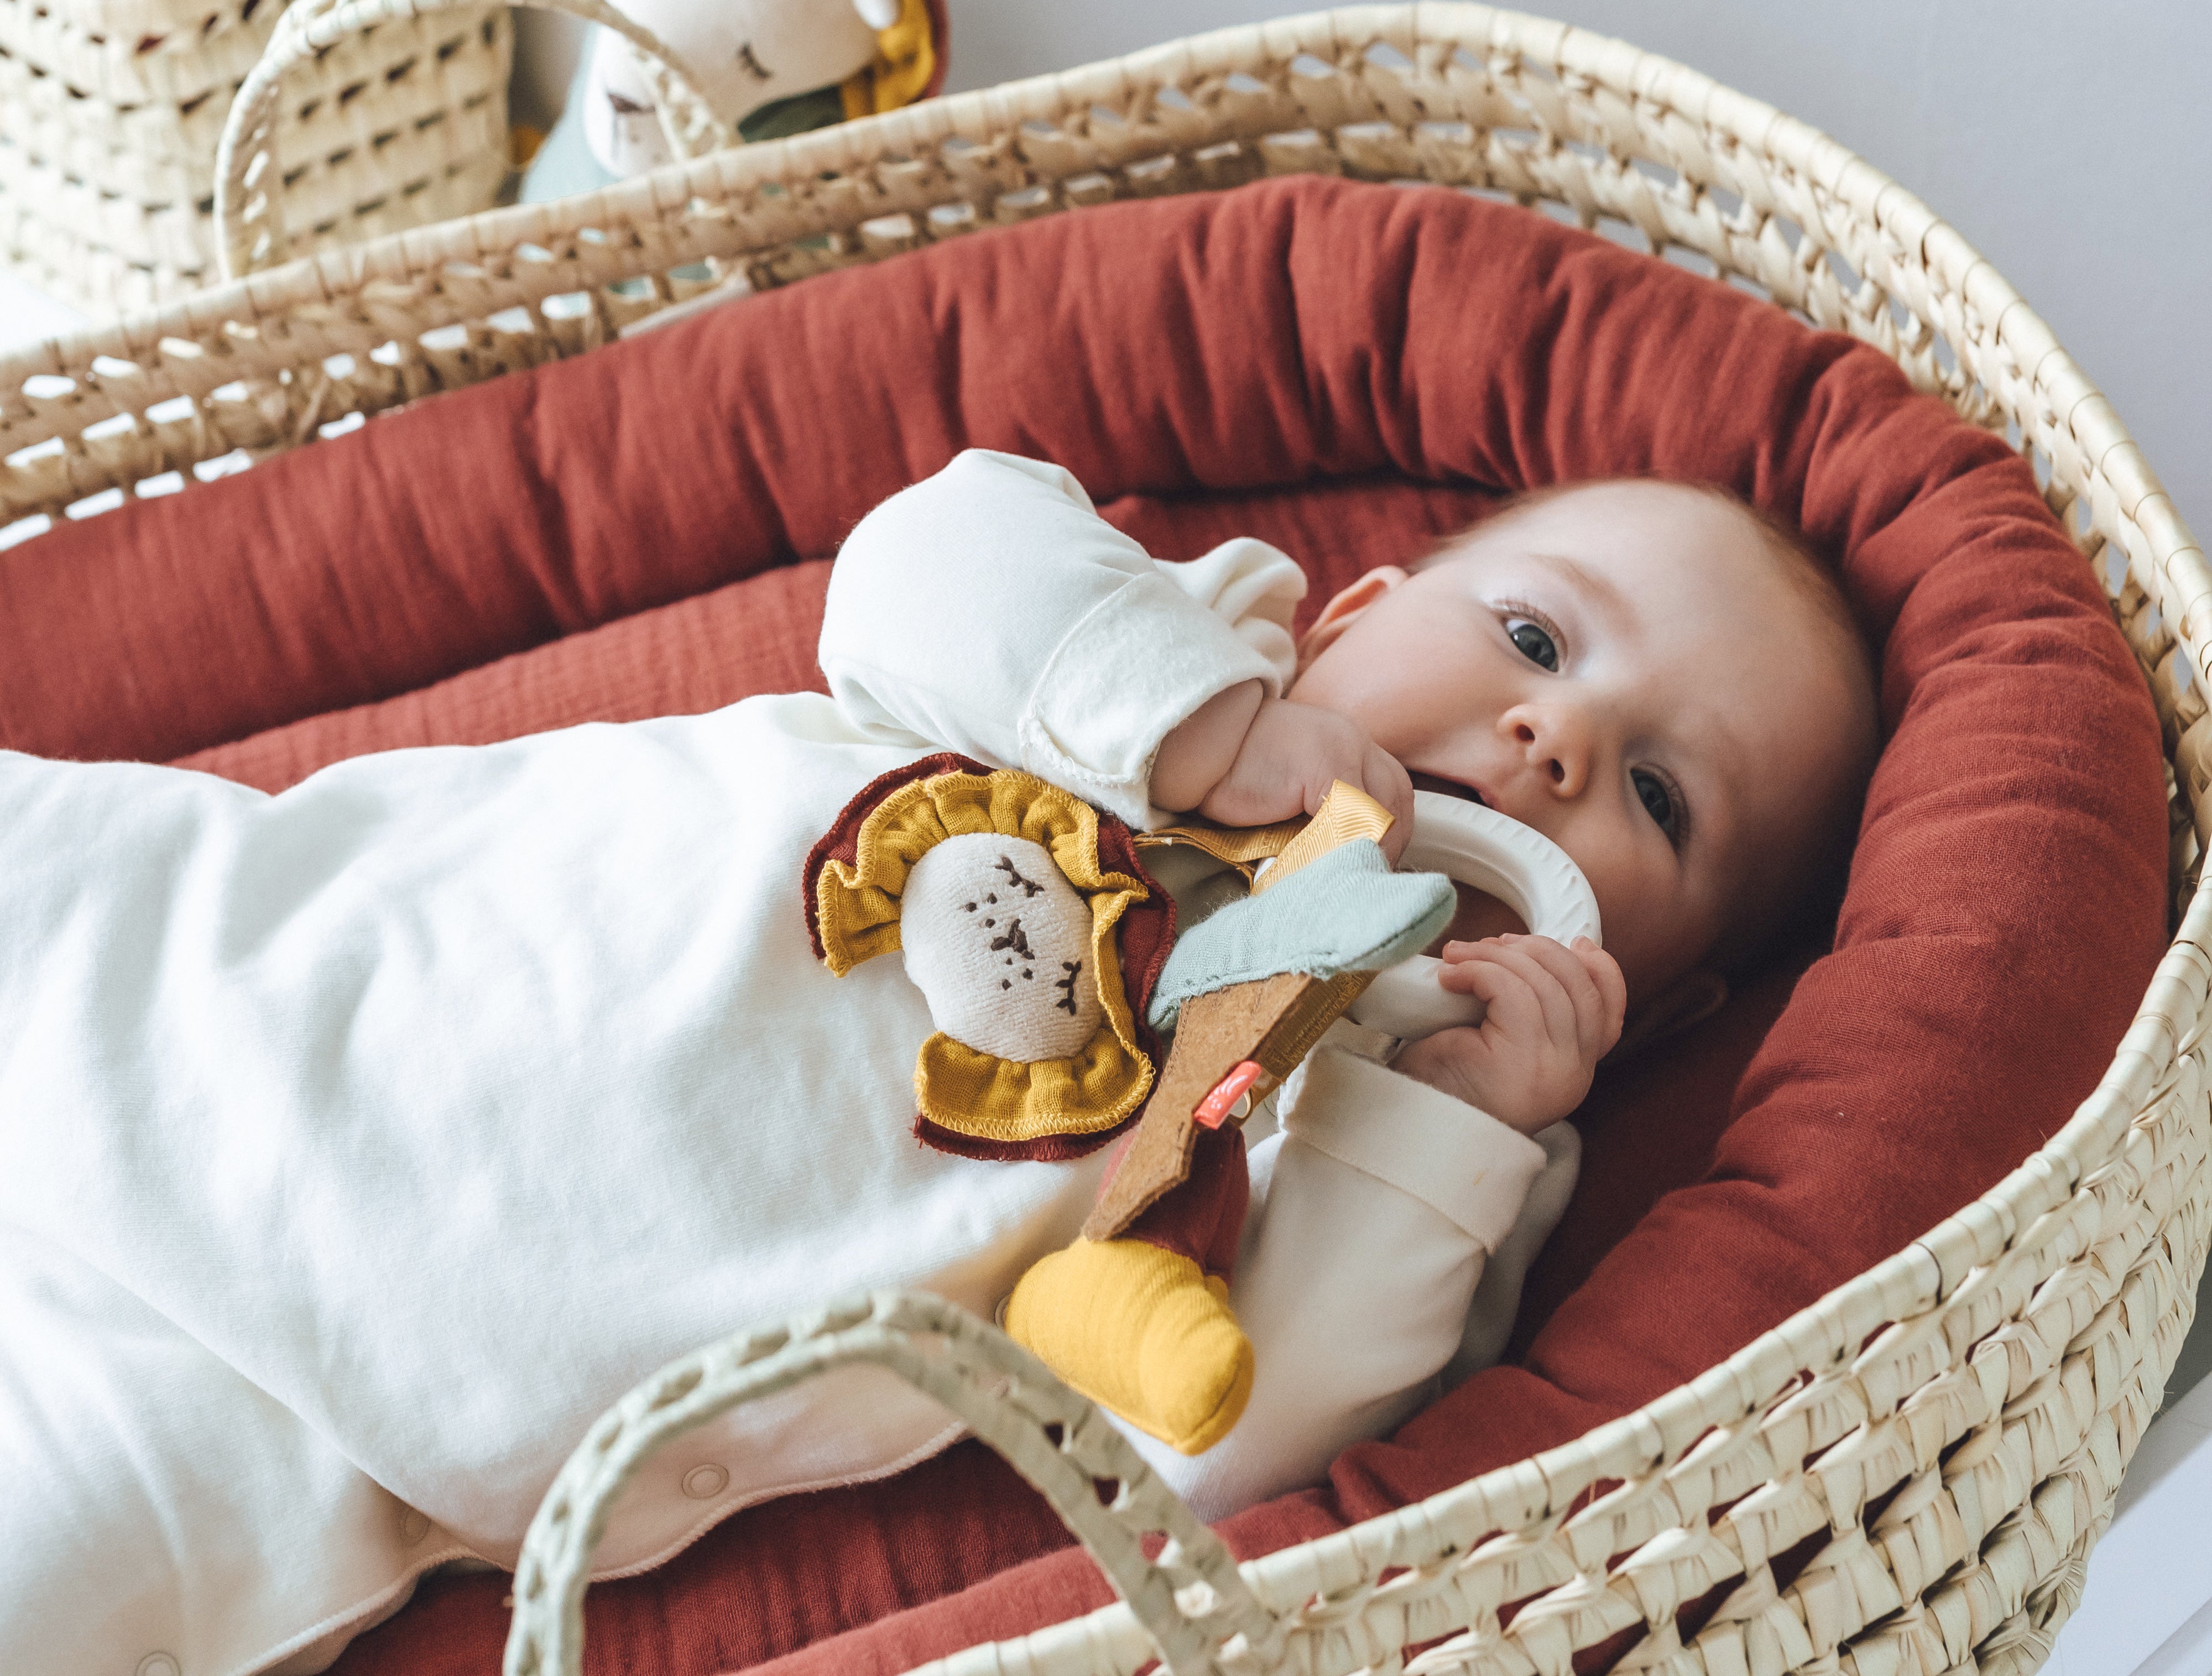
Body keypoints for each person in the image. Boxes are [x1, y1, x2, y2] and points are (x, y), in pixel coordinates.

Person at [0, 452, 1877, 1676]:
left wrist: (1454, 1121)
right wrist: (1205, 726)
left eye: (1657, 795)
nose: (1554, 738)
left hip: (301, 1411)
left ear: (1662, 998)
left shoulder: (1394, 1124)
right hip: (209, 952)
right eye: (1534, 636)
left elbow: (1220, 1449)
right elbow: (920, 554)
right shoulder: (1147, 653)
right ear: (1353, 617)